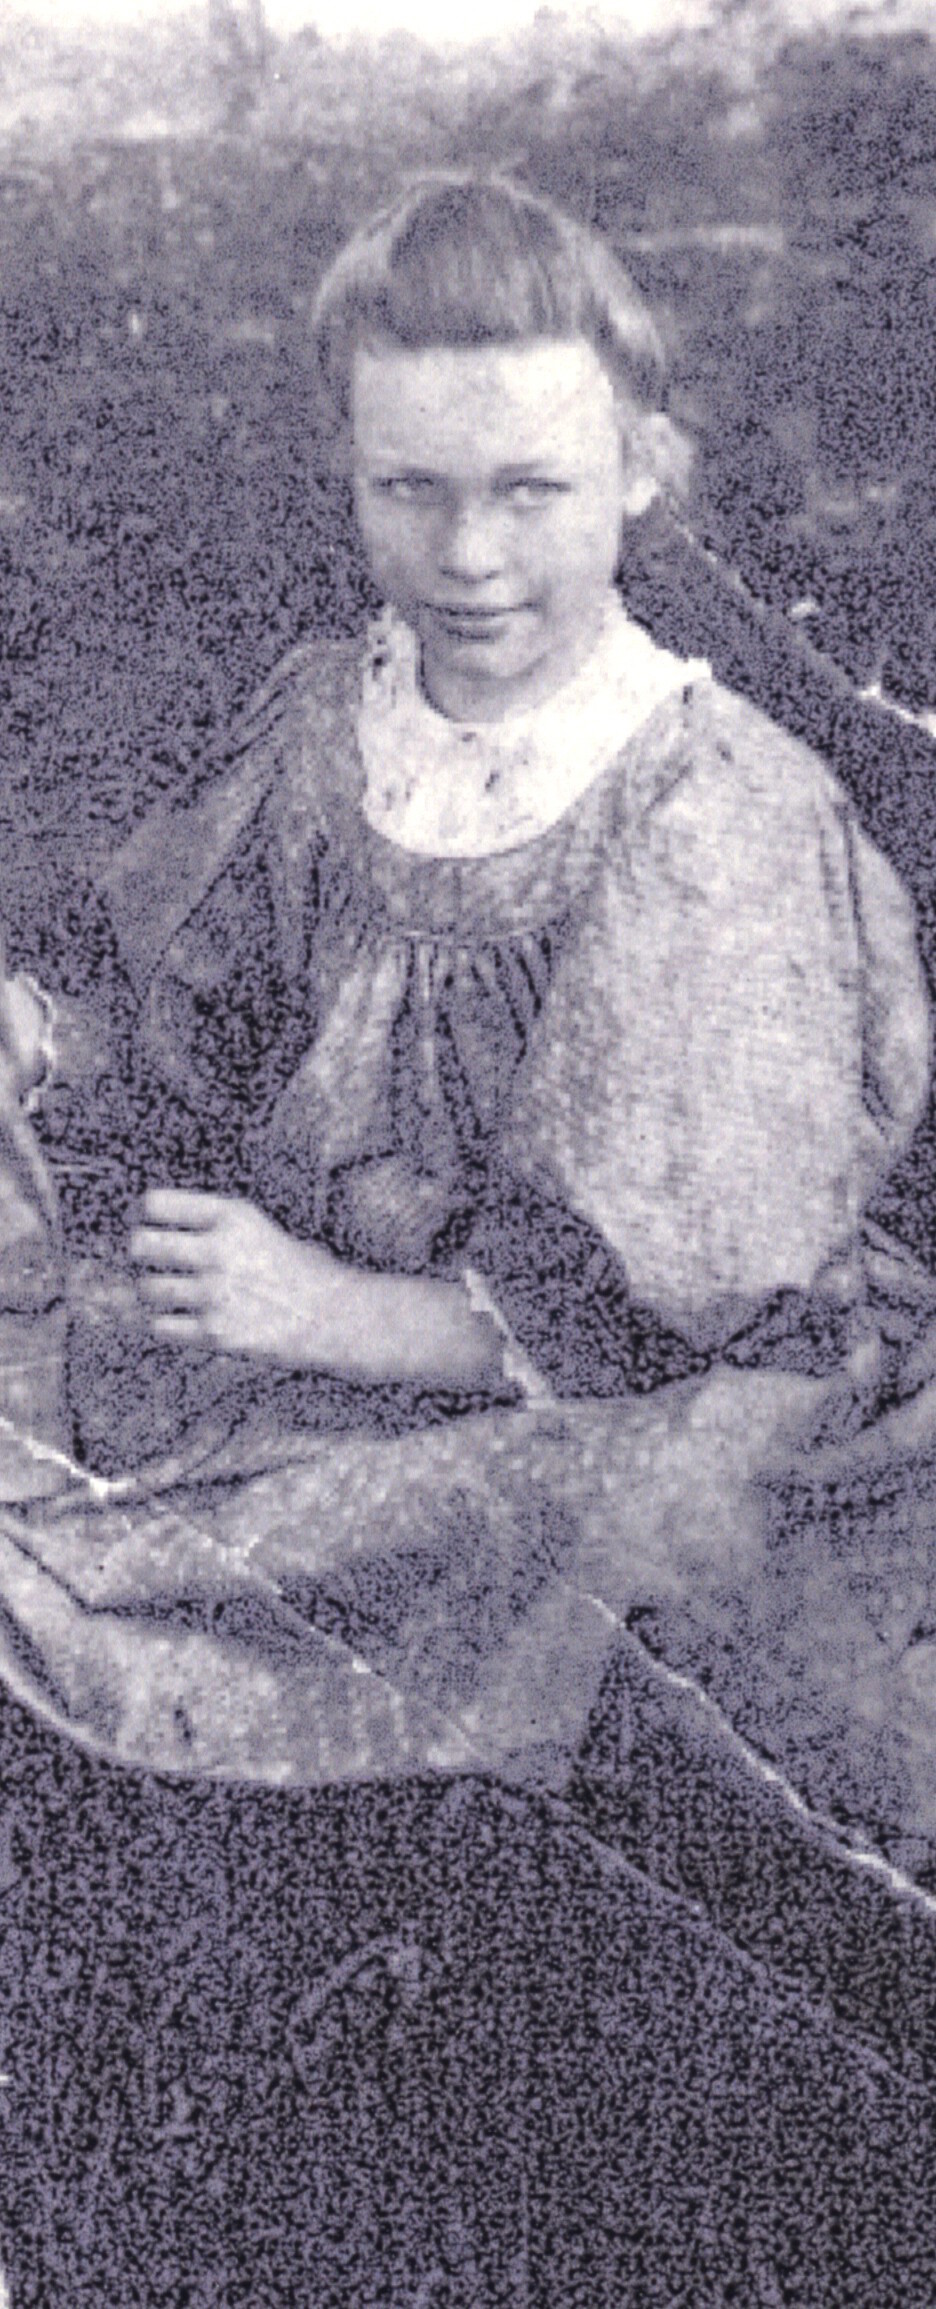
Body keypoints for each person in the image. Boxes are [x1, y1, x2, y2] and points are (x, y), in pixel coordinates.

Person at [0, 171, 934, 2306]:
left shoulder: (711, 806)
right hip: (315, 1310)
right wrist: (44, 1034)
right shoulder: (337, 723)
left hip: (676, 1377)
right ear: (351, 474)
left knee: (524, 1543)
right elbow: (192, 1029)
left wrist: (329, 1306)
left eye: (531, 490)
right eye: (410, 490)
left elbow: (673, 1299)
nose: (473, 555)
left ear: (641, 473)